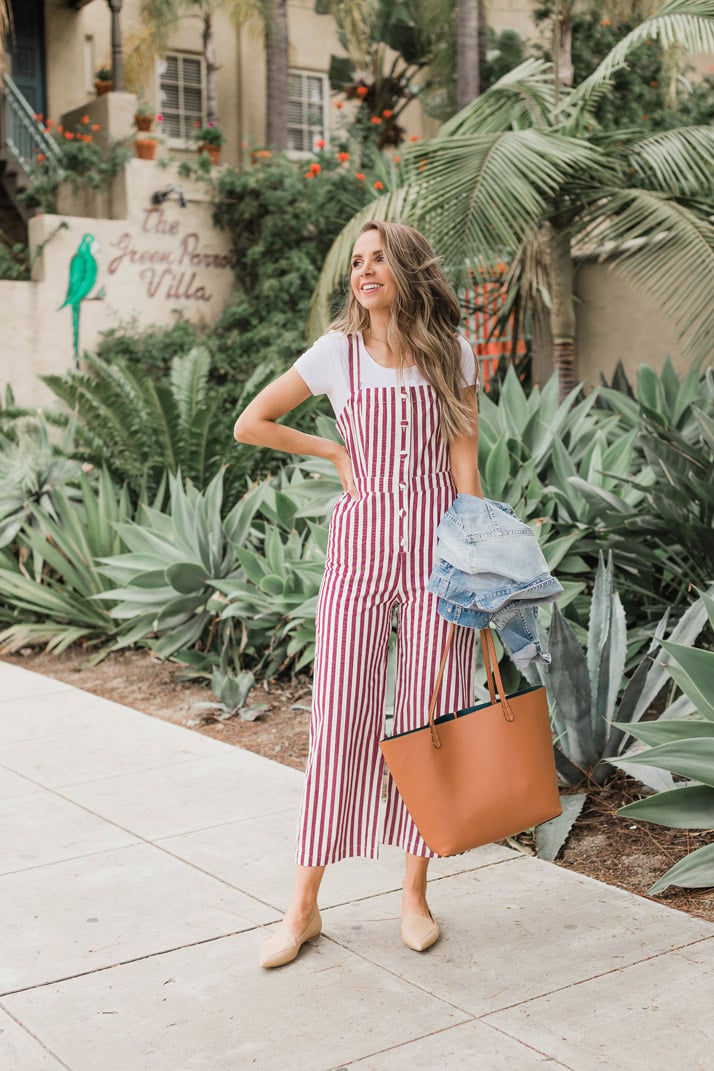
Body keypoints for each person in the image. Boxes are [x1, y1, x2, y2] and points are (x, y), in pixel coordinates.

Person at [234, 221, 483, 969]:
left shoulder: (453, 354)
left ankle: (414, 893)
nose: (363, 271)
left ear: (408, 268)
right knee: (339, 716)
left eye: (378, 259)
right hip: (360, 558)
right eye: (356, 262)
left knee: (426, 721)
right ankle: (303, 905)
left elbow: (466, 461)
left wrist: (473, 561)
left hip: (439, 560)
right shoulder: (336, 354)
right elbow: (252, 422)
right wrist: (332, 447)